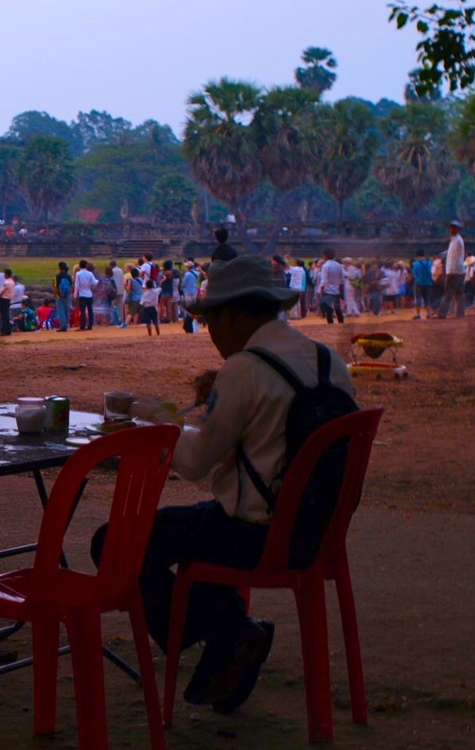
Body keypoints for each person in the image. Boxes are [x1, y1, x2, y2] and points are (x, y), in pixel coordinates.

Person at [91, 255, 357, 712]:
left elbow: (194, 463)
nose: (210, 332)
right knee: (196, 535)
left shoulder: (245, 368)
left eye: (210, 319)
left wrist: (154, 417)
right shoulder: (327, 359)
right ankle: (229, 630)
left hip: (257, 537)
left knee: (115, 542)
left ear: (232, 315)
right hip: (320, 531)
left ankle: (230, 632)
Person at [437, 220, 467, 318]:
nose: (451, 229)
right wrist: (443, 254)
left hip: (454, 271)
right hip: (460, 270)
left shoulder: (456, 240)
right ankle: (460, 313)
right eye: (451, 227)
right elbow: (451, 252)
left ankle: (442, 313)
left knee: (448, 294)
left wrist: (449, 271)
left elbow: (454, 257)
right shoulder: (456, 240)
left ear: (457, 229)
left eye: (453, 228)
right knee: (459, 294)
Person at [317, 248, 345, 324]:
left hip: (328, 289)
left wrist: (322, 289)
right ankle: (341, 321)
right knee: (337, 307)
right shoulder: (339, 265)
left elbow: (324, 280)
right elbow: (342, 279)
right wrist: (341, 288)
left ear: (326, 256)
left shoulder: (326, 266)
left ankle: (330, 323)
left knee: (328, 308)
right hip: (336, 288)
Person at [73, 259, 98, 331]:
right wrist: (92, 287)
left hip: (82, 294)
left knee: (83, 310)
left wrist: (75, 295)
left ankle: (82, 325)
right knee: (90, 310)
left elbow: (76, 285)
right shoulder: (90, 273)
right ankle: (90, 324)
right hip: (89, 294)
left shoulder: (78, 274)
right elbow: (95, 282)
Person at [53, 261, 72, 332]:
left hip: (59, 296)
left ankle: (62, 326)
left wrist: (55, 295)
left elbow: (55, 287)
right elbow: (71, 286)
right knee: (67, 310)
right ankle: (67, 325)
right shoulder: (69, 276)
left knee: (61, 311)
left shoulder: (57, 276)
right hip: (67, 295)